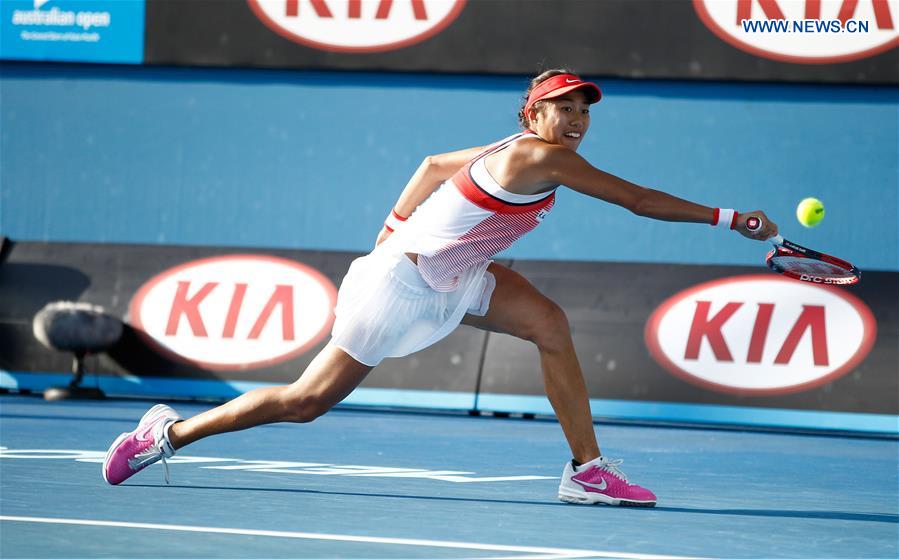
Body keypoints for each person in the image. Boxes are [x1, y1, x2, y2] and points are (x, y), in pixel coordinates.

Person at [103, 69, 778, 507]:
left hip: (450, 275)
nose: (573, 119)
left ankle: (586, 469)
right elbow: (635, 200)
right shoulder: (540, 156)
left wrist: (391, 227)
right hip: (400, 285)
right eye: (559, 108)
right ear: (532, 114)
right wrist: (729, 218)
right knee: (306, 401)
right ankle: (163, 434)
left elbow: (428, 164)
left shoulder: (506, 147)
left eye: (581, 110)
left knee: (548, 322)